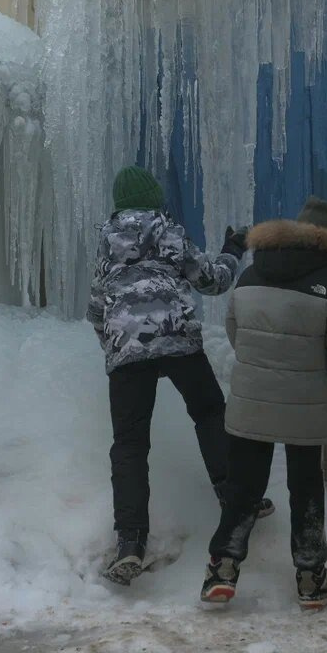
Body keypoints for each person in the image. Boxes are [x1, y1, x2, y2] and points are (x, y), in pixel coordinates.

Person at [87, 165, 272, 586]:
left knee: (129, 444)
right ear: (154, 198)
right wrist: (233, 247)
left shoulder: (106, 238)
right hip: (176, 338)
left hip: (126, 347)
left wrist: (114, 343)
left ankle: (131, 543)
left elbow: (96, 307)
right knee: (208, 411)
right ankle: (234, 497)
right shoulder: (168, 231)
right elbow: (212, 280)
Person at [200, 196, 327, 610]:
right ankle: (311, 578)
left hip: (251, 399)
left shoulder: (251, 275)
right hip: (306, 402)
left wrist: (261, 371)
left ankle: (222, 568)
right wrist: (325, 383)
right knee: (306, 487)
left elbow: (236, 333)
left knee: (243, 487)